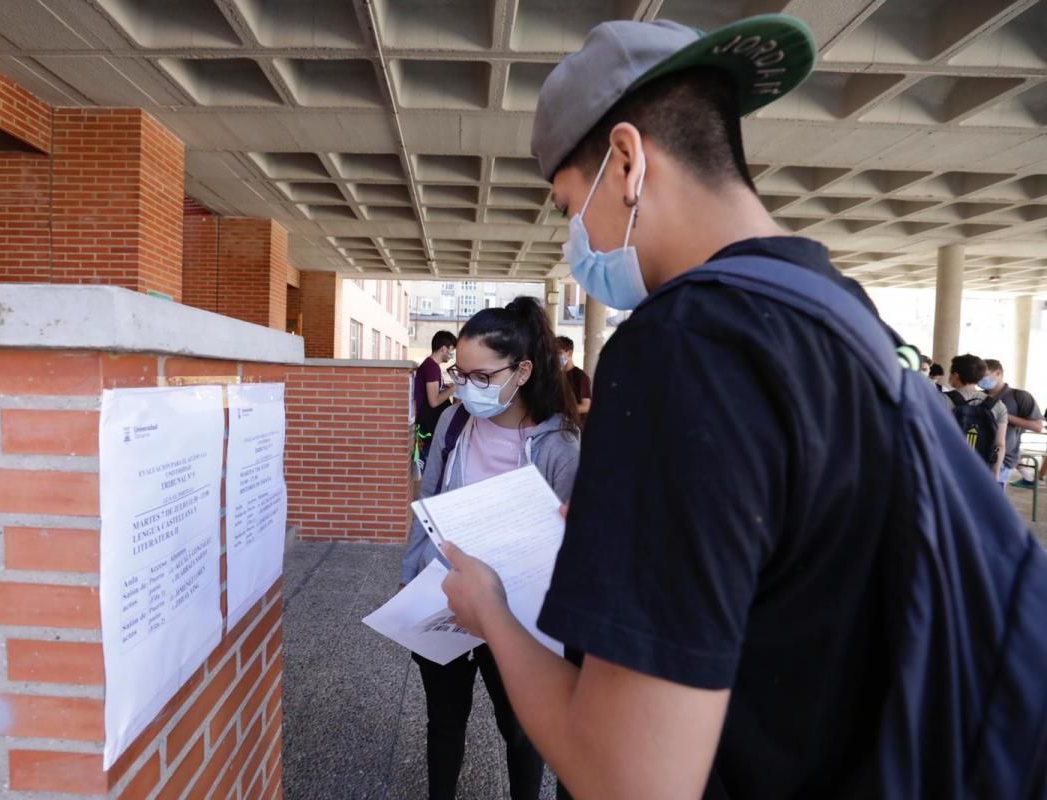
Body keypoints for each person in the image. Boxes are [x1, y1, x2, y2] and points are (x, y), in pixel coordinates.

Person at [440, 15, 1047, 800]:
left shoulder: (683, 347)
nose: (574, 239)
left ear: (625, 161)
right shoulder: (844, 314)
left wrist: (490, 612)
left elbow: (632, 780)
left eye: (566, 206)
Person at [400, 298, 580, 800]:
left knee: (521, 730)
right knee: (444, 722)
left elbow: (569, 541)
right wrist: (411, 577)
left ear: (521, 372)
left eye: (482, 376)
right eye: (461, 372)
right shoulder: (455, 425)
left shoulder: (558, 446)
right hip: (446, 600)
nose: (466, 386)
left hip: (518, 615)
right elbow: (428, 502)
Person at [941, 354, 1007, 481]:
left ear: (955, 375)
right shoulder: (998, 406)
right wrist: (995, 472)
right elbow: (1000, 444)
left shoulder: (940, 399)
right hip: (981, 470)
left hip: (947, 469)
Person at [983, 358, 1043, 486]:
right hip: (979, 454)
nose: (981, 380)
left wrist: (1003, 415)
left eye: (985, 376)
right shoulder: (979, 396)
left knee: (993, 502)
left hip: (1003, 459)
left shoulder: (1019, 396)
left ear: (998, 373)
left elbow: (1038, 427)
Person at [413, 331, 458, 463]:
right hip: (429, 424)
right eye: (451, 350)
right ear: (443, 348)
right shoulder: (431, 367)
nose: (451, 355)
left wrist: (447, 387)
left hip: (430, 422)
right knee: (430, 463)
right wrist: (455, 387)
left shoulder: (432, 366)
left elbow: (435, 390)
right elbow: (434, 401)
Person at [555, 336, 592, 420]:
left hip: (574, 427)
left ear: (569, 353)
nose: (555, 356)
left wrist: (563, 410)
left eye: (559, 353)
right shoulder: (556, 376)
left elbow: (586, 406)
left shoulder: (581, 377)